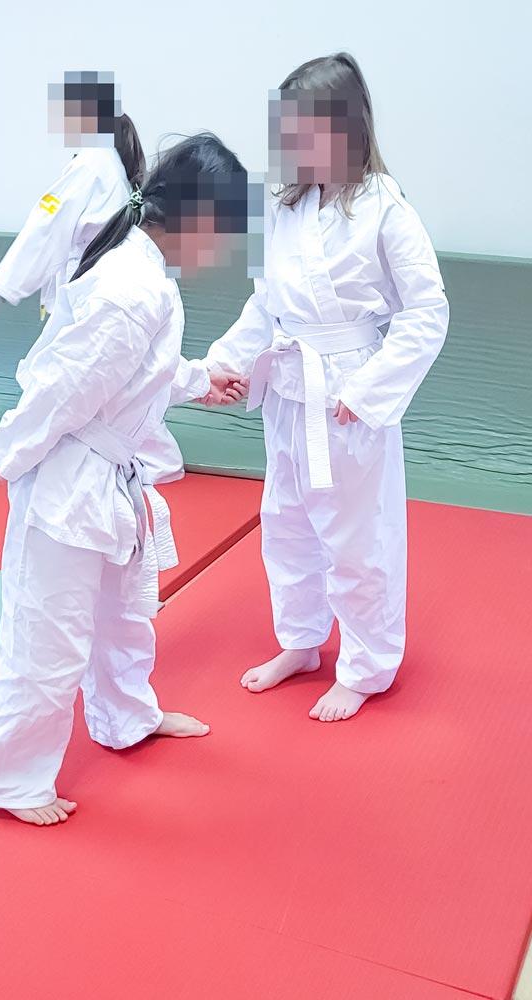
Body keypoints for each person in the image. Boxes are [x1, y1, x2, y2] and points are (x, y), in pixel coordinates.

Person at [0, 133, 248, 825]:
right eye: (224, 232)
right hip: (68, 477)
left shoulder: (145, 276)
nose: (224, 249)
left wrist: (199, 380)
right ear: (198, 220)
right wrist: (8, 445)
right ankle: (8, 779)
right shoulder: (131, 287)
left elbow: (132, 373)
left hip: (107, 475)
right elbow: (68, 386)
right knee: (48, 634)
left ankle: (125, 717)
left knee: (123, 615)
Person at [204, 53, 449, 722]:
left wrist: (369, 391)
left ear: (342, 127)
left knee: (356, 536)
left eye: (302, 127)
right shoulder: (281, 207)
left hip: (346, 390)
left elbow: (427, 311)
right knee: (285, 524)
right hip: (289, 386)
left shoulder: (385, 207)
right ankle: (301, 641)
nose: (290, 141)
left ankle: (367, 666)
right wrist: (224, 363)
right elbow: (263, 305)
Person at [0, 70, 185, 483]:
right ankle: (152, 456)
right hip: (102, 274)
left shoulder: (91, 163)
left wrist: (4, 283)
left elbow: (48, 220)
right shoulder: (111, 165)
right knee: (118, 375)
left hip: (91, 278)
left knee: (74, 372)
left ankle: (39, 444)